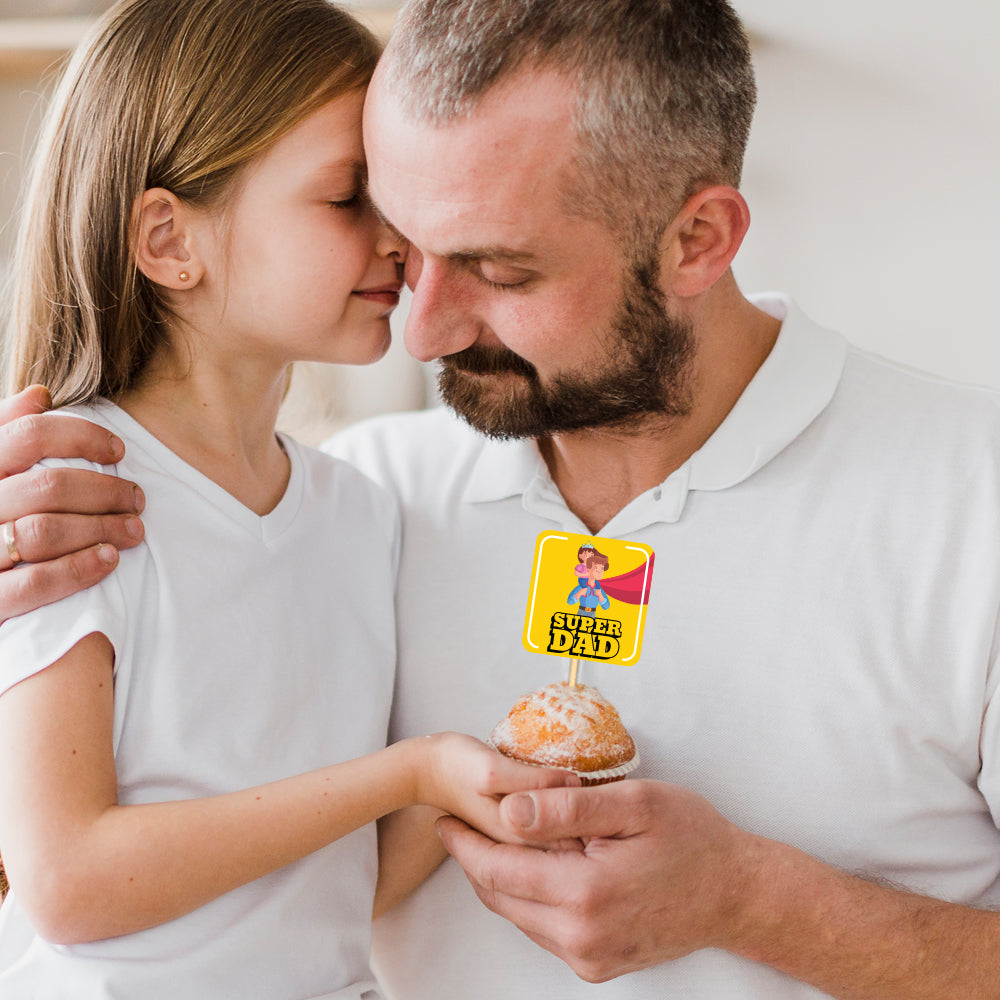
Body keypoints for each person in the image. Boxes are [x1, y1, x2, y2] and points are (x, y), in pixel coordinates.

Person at [2, 0, 1000, 998]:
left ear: (698, 239)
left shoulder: (968, 500)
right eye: (401, 232)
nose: (422, 327)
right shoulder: (378, 494)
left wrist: (751, 902)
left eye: (496, 267)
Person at [0, 1, 573, 997]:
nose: (404, 241)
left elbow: (336, 889)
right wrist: (411, 771)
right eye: (350, 195)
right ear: (170, 240)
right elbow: (68, 882)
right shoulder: (67, 497)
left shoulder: (358, 513)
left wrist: (491, 778)